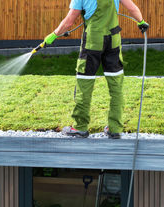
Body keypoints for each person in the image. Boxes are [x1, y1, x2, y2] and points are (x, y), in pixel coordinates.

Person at [43, 0, 149, 138]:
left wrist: (53, 35)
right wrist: (141, 22)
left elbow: (69, 22)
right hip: (113, 41)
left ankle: (80, 127)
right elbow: (132, 8)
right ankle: (115, 128)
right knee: (116, 86)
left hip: (92, 42)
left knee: (84, 83)